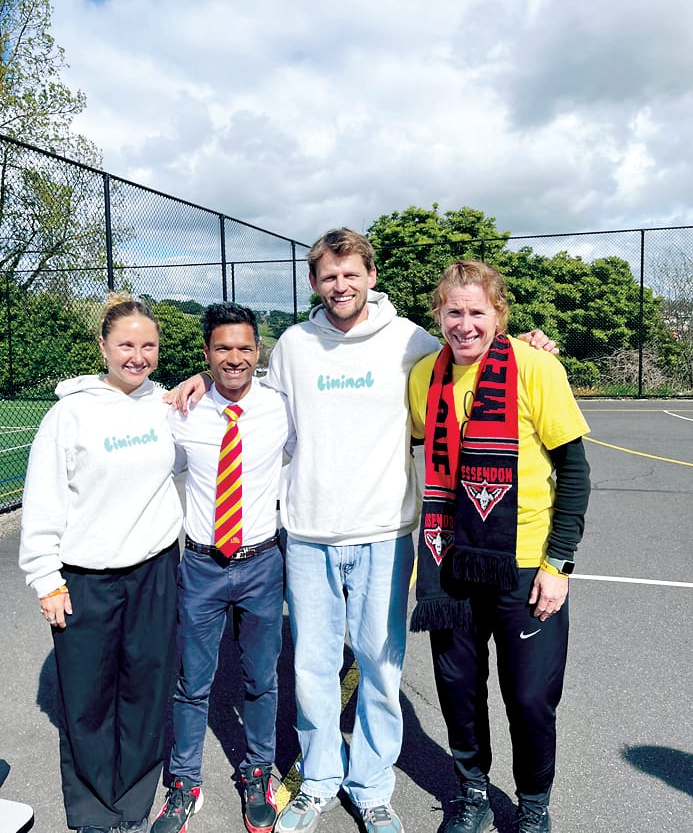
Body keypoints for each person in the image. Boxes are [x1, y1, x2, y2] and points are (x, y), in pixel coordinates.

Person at [177, 230, 555, 833]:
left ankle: (372, 785)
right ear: (313, 284)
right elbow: (251, 394)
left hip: (384, 531)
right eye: (329, 277)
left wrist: (532, 345)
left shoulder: (409, 339)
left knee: (380, 667)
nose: (341, 286)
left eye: (351, 274)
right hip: (306, 534)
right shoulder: (296, 346)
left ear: (371, 275)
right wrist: (199, 386)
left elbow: (474, 352)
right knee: (313, 667)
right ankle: (319, 779)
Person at [408, 261, 591, 833]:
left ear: (498, 316)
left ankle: (533, 804)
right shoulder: (422, 377)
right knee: (460, 691)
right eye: (453, 311)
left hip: (525, 566)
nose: (465, 324)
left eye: (476, 312)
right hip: (451, 560)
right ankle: (472, 795)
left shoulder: (536, 368)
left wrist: (558, 565)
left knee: (530, 698)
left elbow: (576, 474)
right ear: (438, 314)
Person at [19, 294, 184, 833]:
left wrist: (200, 383)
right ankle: (93, 811)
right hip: (85, 577)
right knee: (88, 698)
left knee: (144, 690)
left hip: (155, 571)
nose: (137, 356)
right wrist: (47, 579)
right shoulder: (70, 414)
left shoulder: (165, 405)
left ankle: (132, 805)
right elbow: (44, 501)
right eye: (126, 345)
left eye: (148, 345)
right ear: (104, 347)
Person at [151, 303, 294, 833]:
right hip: (203, 565)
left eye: (244, 348)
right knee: (192, 681)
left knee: (261, 678)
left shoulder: (281, 408)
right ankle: (184, 783)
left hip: (262, 562)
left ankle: (257, 770)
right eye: (222, 348)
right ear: (206, 354)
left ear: (258, 352)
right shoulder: (182, 412)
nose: (234, 358)